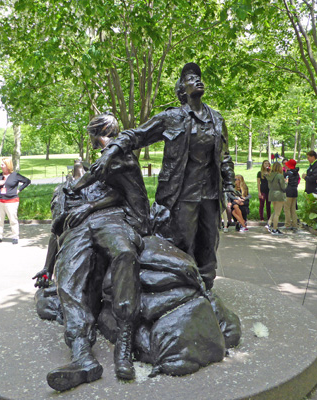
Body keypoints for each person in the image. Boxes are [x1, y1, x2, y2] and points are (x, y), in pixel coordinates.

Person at [91, 62, 235, 291]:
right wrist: (110, 153)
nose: (197, 80)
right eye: (190, 78)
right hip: (181, 194)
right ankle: (184, 291)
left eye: (198, 77)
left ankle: (205, 290)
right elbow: (135, 136)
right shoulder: (172, 118)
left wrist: (229, 185)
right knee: (181, 244)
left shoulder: (217, 119)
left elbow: (224, 156)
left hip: (210, 193)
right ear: (181, 90)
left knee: (208, 244)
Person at [33, 113, 150, 391]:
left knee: (125, 253)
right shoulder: (64, 190)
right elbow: (55, 230)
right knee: (69, 277)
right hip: (77, 229)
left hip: (111, 220)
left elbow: (121, 194)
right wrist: (49, 267)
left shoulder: (107, 166)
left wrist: (91, 204)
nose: (77, 168)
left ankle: (124, 340)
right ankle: (82, 354)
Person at [0, 157, 31, 244]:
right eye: (1, 164)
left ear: (8, 165)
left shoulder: (15, 175)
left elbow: (27, 181)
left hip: (11, 201)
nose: (1, 166)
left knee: (13, 219)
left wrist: (19, 190)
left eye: (3, 164)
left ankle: (15, 236)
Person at [266, 162, 287, 235]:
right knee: (277, 213)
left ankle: (268, 224)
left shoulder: (270, 175)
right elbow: (283, 187)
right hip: (279, 195)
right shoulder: (279, 176)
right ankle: (275, 229)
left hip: (271, 194)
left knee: (275, 211)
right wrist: (286, 182)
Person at [283, 159, 300, 232]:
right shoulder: (296, 173)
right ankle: (295, 224)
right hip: (295, 191)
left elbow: (285, 181)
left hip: (289, 191)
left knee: (286, 209)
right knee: (293, 209)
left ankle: (287, 224)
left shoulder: (287, 174)